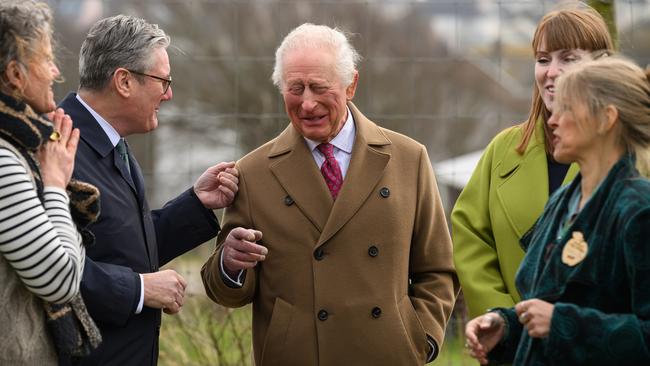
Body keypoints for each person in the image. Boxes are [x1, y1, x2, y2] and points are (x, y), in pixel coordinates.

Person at [201, 23, 459, 365]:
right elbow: (228, 293)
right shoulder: (253, 172)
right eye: (295, 88)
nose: (307, 104)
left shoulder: (408, 158)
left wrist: (419, 339)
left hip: (387, 355)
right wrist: (229, 263)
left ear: (351, 84)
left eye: (318, 87)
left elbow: (437, 269)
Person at [57, 15, 239, 366]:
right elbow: (51, 269)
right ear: (124, 81)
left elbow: (118, 246)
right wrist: (141, 290)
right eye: (163, 81)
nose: (169, 94)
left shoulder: (111, 144)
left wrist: (196, 204)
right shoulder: (58, 149)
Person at [465, 56, 650, 365]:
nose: (552, 119)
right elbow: (545, 308)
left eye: (567, 108)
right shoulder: (563, 201)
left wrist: (564, 324)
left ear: (606, 119)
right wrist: (507, 326)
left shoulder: (639, 210)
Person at [451, 5, 614, 318]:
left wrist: (569, 329)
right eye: (543, 59)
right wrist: (504, 321)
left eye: (568, 58)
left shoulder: (634, 156)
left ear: (601, 66)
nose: (551, 72)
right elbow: (470, 238)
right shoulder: (502, 150)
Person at [0, 0, 93, 364]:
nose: (56, 71)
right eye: (46, 58)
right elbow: (61, 279)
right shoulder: (6, 161)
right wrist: (55, 185)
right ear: (15, 75)